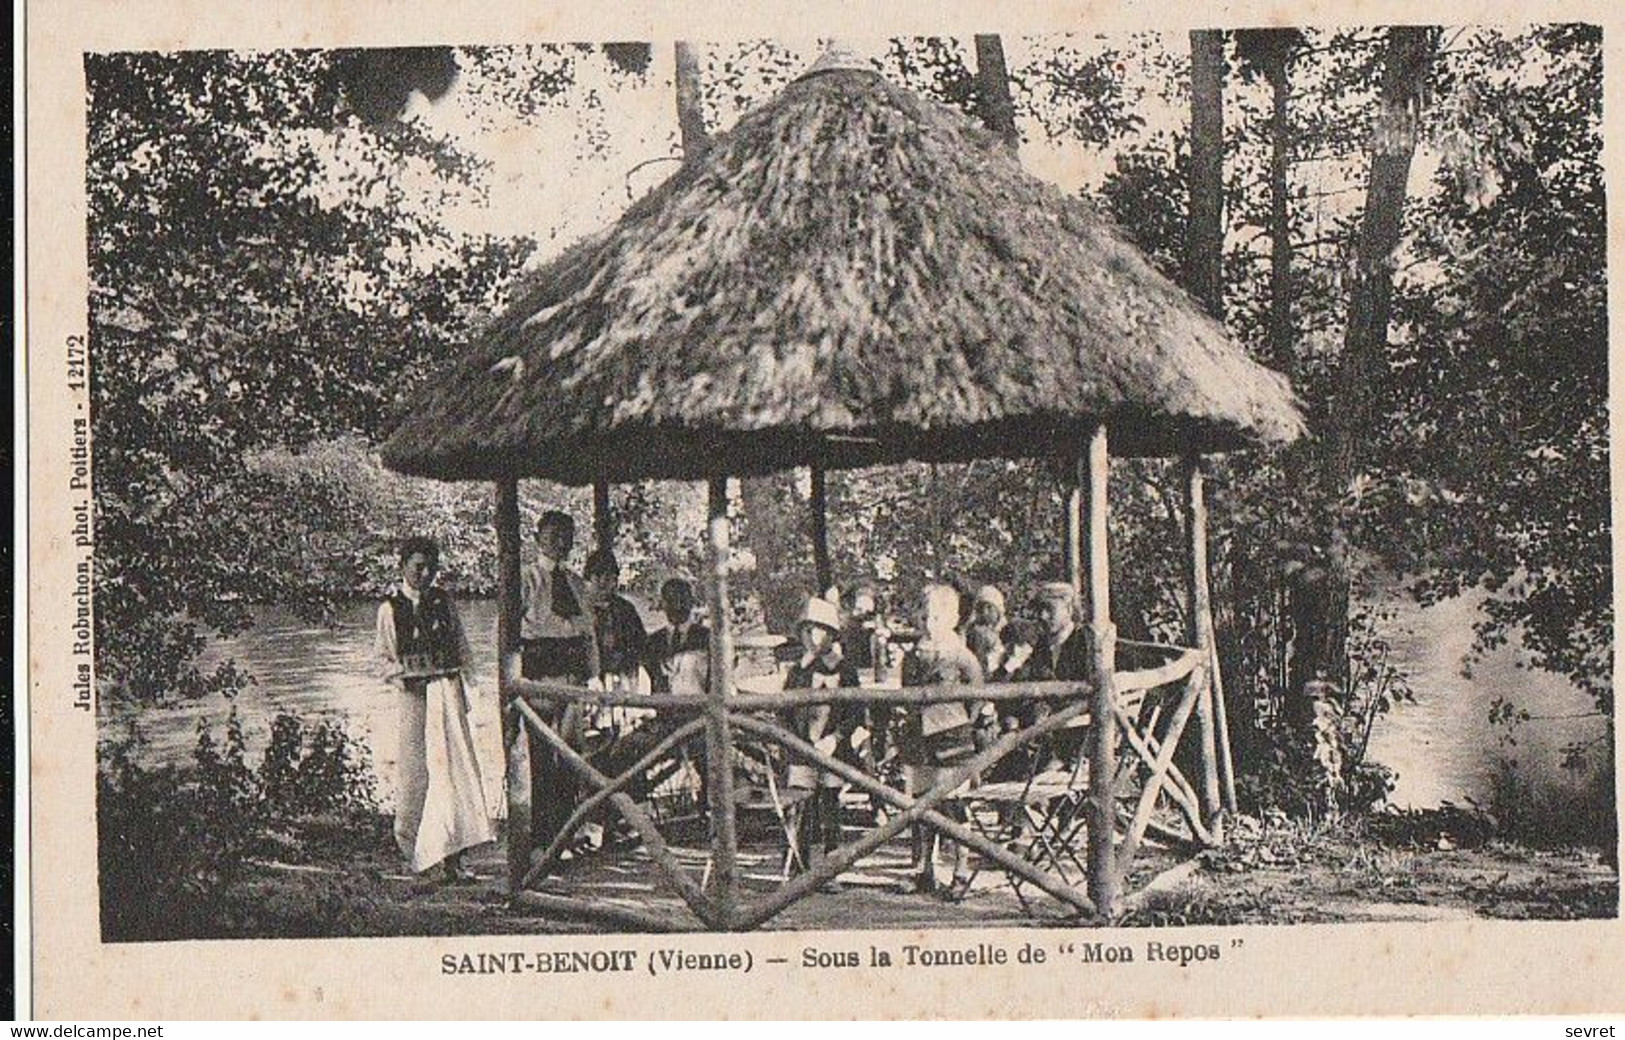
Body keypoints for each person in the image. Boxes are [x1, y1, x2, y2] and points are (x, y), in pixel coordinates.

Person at [374, 536, 494, 883]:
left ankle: (457, 856)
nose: (424, 574)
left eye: (430, 568)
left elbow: (463, 648)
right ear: (403, 567)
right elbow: (383, 659)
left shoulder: (444, 602)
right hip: (416, 697)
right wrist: (404, 677)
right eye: (418, 567)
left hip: (447, 692)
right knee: (418, 775)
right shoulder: (390, 608)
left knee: (456, 772)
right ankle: (419, 856)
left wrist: (472, 690)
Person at [520, 510, 598, 859]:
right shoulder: (526, 579)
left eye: (566, 536)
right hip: (539, 678)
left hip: (572, 677)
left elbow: (588, 633)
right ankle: (540, 840)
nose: (559, 542)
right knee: (541, 760)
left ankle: (567, 834)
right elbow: (514, 631)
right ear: (538, 538)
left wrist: (594, 676)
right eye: (552, 535)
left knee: (570, 757)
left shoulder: (578, 584)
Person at [899, 583, 984, 899]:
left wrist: (962, 722)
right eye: (926, 615)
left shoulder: (962, 656)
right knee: (922, 805)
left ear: (952, 617)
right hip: (919, 739)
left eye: (937, 616)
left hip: (953, 739)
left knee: (954, 806)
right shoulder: (913, 655)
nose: (930, 622)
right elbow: (906, 693)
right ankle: (924, 869)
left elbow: (977, 694)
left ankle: (960, 871)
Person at [783, 595, 861, 874]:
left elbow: (855, 714)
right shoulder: (798, 671)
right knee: (801, 806)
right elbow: (785, 708)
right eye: (806, 630)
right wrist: (792, 739)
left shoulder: (845, 670)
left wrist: (836, 738)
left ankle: (831, 867)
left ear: (831, 634)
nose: (811, 637)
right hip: (801, 748)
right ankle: (798, 864)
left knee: (830, 806)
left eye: (818, 630)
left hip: (832, 746)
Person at [1010, 582, 1094, 770]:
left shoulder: (1084, 642)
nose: (1043, 616)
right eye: (1040, 610)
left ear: (1069, 609)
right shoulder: (1042, 645)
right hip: (1045, 735)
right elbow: (1024, 682)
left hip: (1078, 738)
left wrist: (1049, 711)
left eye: (1049, 610)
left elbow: (1089, 694)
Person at [585, 548, 647, 693]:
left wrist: (623, 658)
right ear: (589, 578)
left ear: (615, 580)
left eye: (608, 577)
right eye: (597, 576)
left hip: (620, 676)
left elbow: (640, 644)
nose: (602, 582)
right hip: (587, 676)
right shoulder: (579, 608)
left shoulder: (625, 609)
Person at [644, 577, 710, 696]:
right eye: (671, 600)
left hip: (699, 709)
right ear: (662, 603)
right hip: (663, 710)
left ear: (691, 602)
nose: (677, 606)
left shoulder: (707, 638)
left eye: (682, 600)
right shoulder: (653, 641)